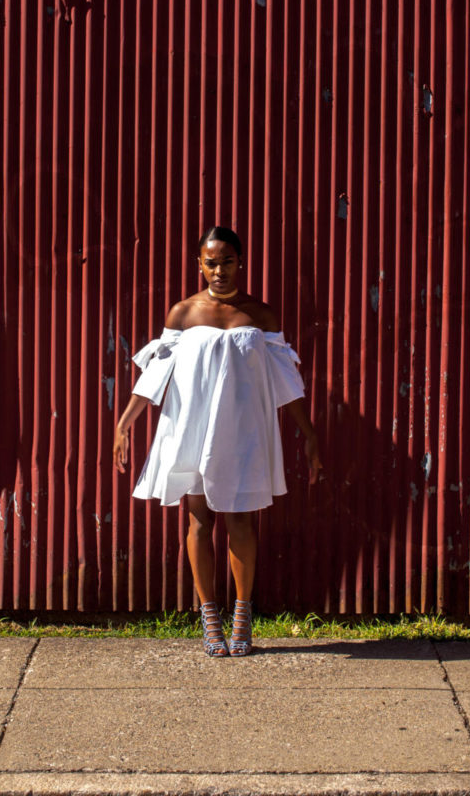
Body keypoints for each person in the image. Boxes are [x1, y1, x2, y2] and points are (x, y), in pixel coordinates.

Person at [113, 226, 323, 657]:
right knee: (199, 522)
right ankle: (211, 619)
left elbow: (287, 379)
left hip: (243, 432)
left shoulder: (260, 315)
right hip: (191, 427)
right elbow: (157, 373)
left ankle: (242, 617)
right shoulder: (183, 313)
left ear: (240, 262)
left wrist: (310, 435)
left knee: (241, 523)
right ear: (200, 265)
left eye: (227, 261)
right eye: (211, 262)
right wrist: (125, 423)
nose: (219, 270)